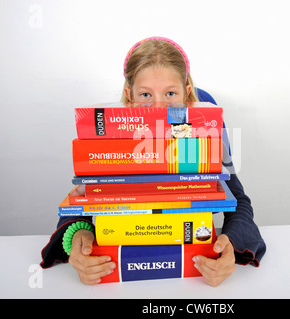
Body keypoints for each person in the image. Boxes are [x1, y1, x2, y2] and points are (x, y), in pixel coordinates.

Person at [40, 37, 266, 287]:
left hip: (191, 246)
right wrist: (79, 234)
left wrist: (230, 245)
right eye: (145, 94)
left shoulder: (205, 124)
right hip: (124, 249)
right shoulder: (115, 131)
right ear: (130, 96)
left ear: (187, 92)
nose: (158, 108)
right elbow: (84, 195)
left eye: (171, 93)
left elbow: (238, 199)